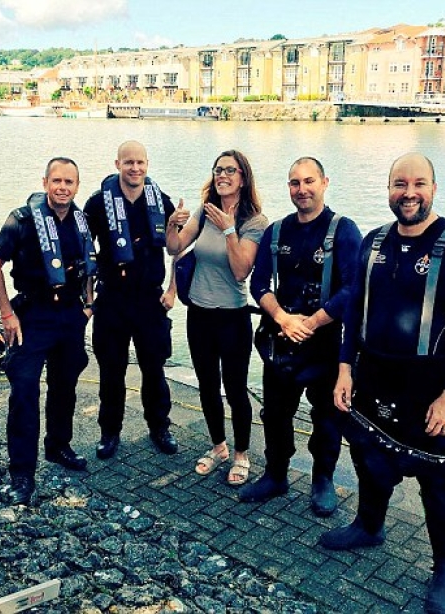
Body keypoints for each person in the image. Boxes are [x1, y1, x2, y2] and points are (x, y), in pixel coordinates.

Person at [320, 153, 445, 614]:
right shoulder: (374, 242)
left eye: (419, 183)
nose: (409, 193)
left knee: (439, 483)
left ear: (434, 189)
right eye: (400, 184)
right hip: (373, 379)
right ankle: (369, 524)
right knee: (370, 460)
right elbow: (355, 310)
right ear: (389, 189)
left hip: (431, 387)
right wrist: (344, 366)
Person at [240, 157, 361, 516]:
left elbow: (352, 288)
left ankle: (322, 480)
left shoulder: (344, 231)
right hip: (281, 342)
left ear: (325, 182)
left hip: (325, 345)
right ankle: (275, 474)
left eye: (309, 181)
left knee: (326, 418)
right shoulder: (276, 232)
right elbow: (259, 284)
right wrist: (281, 317)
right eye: (294, 183)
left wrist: (312, 322)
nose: (302, 189)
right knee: (275, 415)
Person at [0, 157, 97, 506]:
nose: (63, 188)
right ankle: (21, 473)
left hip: (69, 315)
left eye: (70, 182)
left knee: (65, 386)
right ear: (45, 181)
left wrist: (89, 305)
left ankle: (58, 446)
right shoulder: (21, 220)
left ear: (77, 186)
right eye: (57, 181)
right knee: (24, 394)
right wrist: (7, 314)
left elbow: (90, 265)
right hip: (31, 316)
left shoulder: (82, 221)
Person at [166, 150, 269, 486]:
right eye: (218, 169)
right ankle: (219, 447)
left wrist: (229, 231)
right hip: (199, 314)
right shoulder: (205, 211)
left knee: (236, 389)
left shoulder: (255, 222)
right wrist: (171, 225)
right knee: (207, 386)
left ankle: (242, 454)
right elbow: (174, 246)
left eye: (230, 170)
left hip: (232, 317)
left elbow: (242, 271)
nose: (222, 175)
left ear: (243, 177)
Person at [83, 140, 179, 459]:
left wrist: (172, 290)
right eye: (128, 163)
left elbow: (178, 248)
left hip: (150, 301)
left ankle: (159, 427)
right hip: (112, 300)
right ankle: (110, 432)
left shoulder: (160, 201)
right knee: (112, 372)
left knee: (154, 370)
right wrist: (88, 298)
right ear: (117, 165)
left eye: (140, 163)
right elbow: (83, 251)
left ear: (147, 165)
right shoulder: (98, 204)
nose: (135, 168)